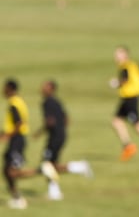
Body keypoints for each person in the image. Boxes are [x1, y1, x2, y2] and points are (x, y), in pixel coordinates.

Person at [14, 80, 93, 201]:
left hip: (55, 137)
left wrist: (39, 133)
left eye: (45, 86)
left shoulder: (46, 103)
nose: (42, 88)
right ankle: (80, 167)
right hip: (61, 135)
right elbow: (66, 119)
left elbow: (49, 121)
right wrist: (60, 130)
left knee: (47, 165)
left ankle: (55, 192)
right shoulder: (57, 101)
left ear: (51, 89)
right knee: (52, 165)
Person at [2, 79, 30, 209]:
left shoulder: (14, 104)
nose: (3, 90)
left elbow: (19, 124)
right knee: (6, 170)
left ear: (10, 89)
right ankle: (16, 198)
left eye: (5, 88)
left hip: (17, 140)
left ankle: (42, 171)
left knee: (12, 171)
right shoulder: (18, 101)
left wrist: (7, 136)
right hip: (16, 139)